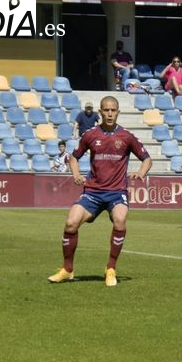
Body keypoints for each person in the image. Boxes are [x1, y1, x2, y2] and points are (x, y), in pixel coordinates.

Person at [47, 96, 152, 287]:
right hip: (93, 192)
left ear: (118, 112)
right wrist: (76, 175)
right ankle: (67, 270)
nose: (110, 114)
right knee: (71, 223)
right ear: (100, 112)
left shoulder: (127, 137)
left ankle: (110, 268)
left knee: (120, 219)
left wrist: (141, 173)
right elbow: (73, 157)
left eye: (113, 110)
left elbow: (147, 158)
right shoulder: (90, 135)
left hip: (116, 192)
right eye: (106, 110)